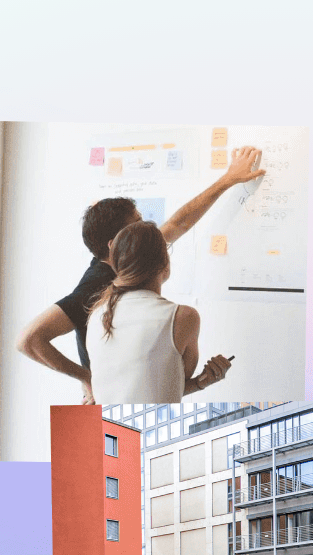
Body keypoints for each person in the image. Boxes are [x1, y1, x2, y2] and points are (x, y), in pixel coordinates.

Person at [16, 146, 265, 402]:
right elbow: (29, 339)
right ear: (115, 244)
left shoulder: (132, 261)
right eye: (137, 223)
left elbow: (179, 223)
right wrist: (88, 378)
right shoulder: (95, 286)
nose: (149, 228)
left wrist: (228, 180)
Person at [82, 220, 227, 403]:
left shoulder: (96, 315)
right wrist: (201, 381)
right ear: (165, 262)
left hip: (109, 428)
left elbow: (150, 387)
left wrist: (201, 382)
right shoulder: (182, 318)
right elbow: (172, 386)